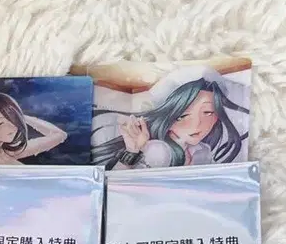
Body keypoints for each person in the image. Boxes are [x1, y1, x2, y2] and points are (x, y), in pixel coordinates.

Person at [92, 67, 248, 170]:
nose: (197, 124)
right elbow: (120, 188)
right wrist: (132, 150)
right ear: (167, 116)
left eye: (208, 112)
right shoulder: (157, 151)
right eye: (183, 116)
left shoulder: (203, 150)